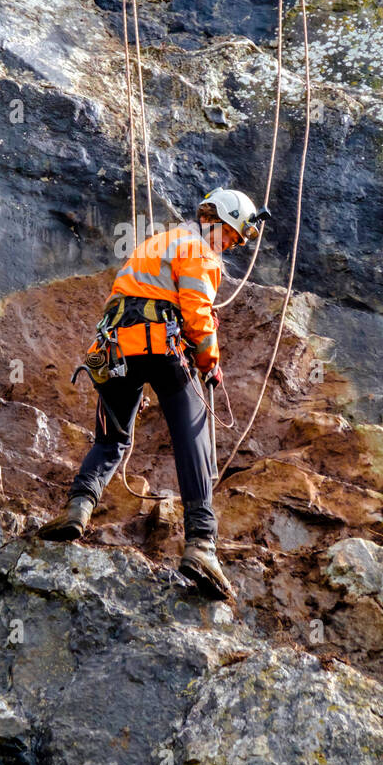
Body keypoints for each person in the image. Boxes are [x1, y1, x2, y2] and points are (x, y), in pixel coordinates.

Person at [39, 188, 267, 601]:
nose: (231, 246)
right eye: (233, 237)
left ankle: (77, 508)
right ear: (222, 221)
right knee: (194, 434)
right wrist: (209, 361)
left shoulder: (156, 243)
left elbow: (127, 298)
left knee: (111, 439)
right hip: (161, 347)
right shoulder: (198, 249)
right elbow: (196, 310)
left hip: (113, 351)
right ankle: (201, 544)